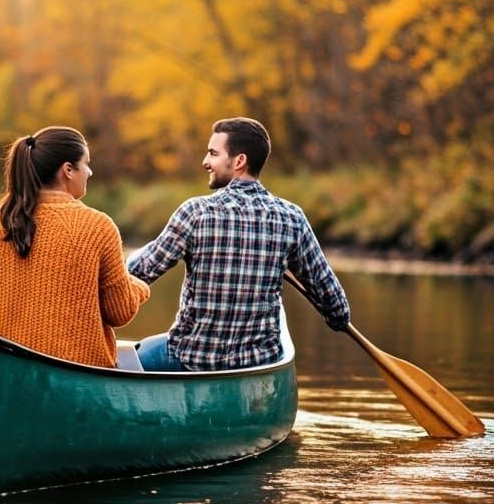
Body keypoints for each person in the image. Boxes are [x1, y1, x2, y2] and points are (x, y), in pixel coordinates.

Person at [0, 126, 150, 378]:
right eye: (87, 164)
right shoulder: (99, 227)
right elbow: (119, 313)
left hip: (1, 377)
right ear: (68, 170)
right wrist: (139, 288)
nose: (90, 172)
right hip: (75, 380)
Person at [127, 117, 350, 371]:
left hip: (191, 359)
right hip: (257, 365)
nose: (205, 162)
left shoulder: (195, 212)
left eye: (213, 153)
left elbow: (136, 275)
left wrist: (136, 254)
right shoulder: (293, 219)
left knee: (128, 357)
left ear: (239, 161)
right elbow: (338, 312)